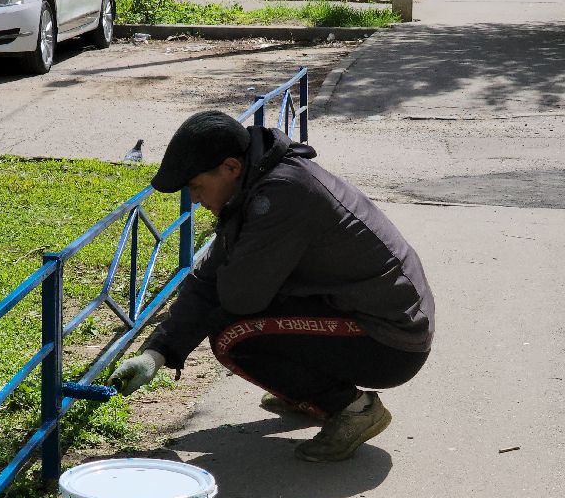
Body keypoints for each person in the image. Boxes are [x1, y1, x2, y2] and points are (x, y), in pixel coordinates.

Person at [110, 111, 435, 463]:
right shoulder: (261, 181)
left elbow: (238, 296)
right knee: (237, 313)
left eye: (196, 186)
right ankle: (309, 390)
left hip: (391, 339)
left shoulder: (280, 198)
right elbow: (211, 279)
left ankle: (354, 409)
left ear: (231, 167)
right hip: (366, 312)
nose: (194, 199)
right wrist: (156, 353)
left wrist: (229, 266)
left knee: (232, 333)